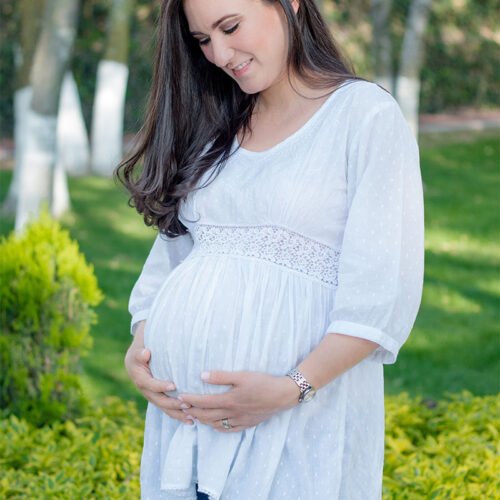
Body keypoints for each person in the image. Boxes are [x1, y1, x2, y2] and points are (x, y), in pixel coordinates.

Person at [117, 0, 424, 498]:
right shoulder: (214, 125)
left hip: (296, 429)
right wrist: (142, 346)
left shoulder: (363, 117)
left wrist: (289, 389)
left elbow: (380, 297)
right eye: (202, 40)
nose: (218, 53)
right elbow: (170, 261)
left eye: (230, 26)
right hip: (187, 435)